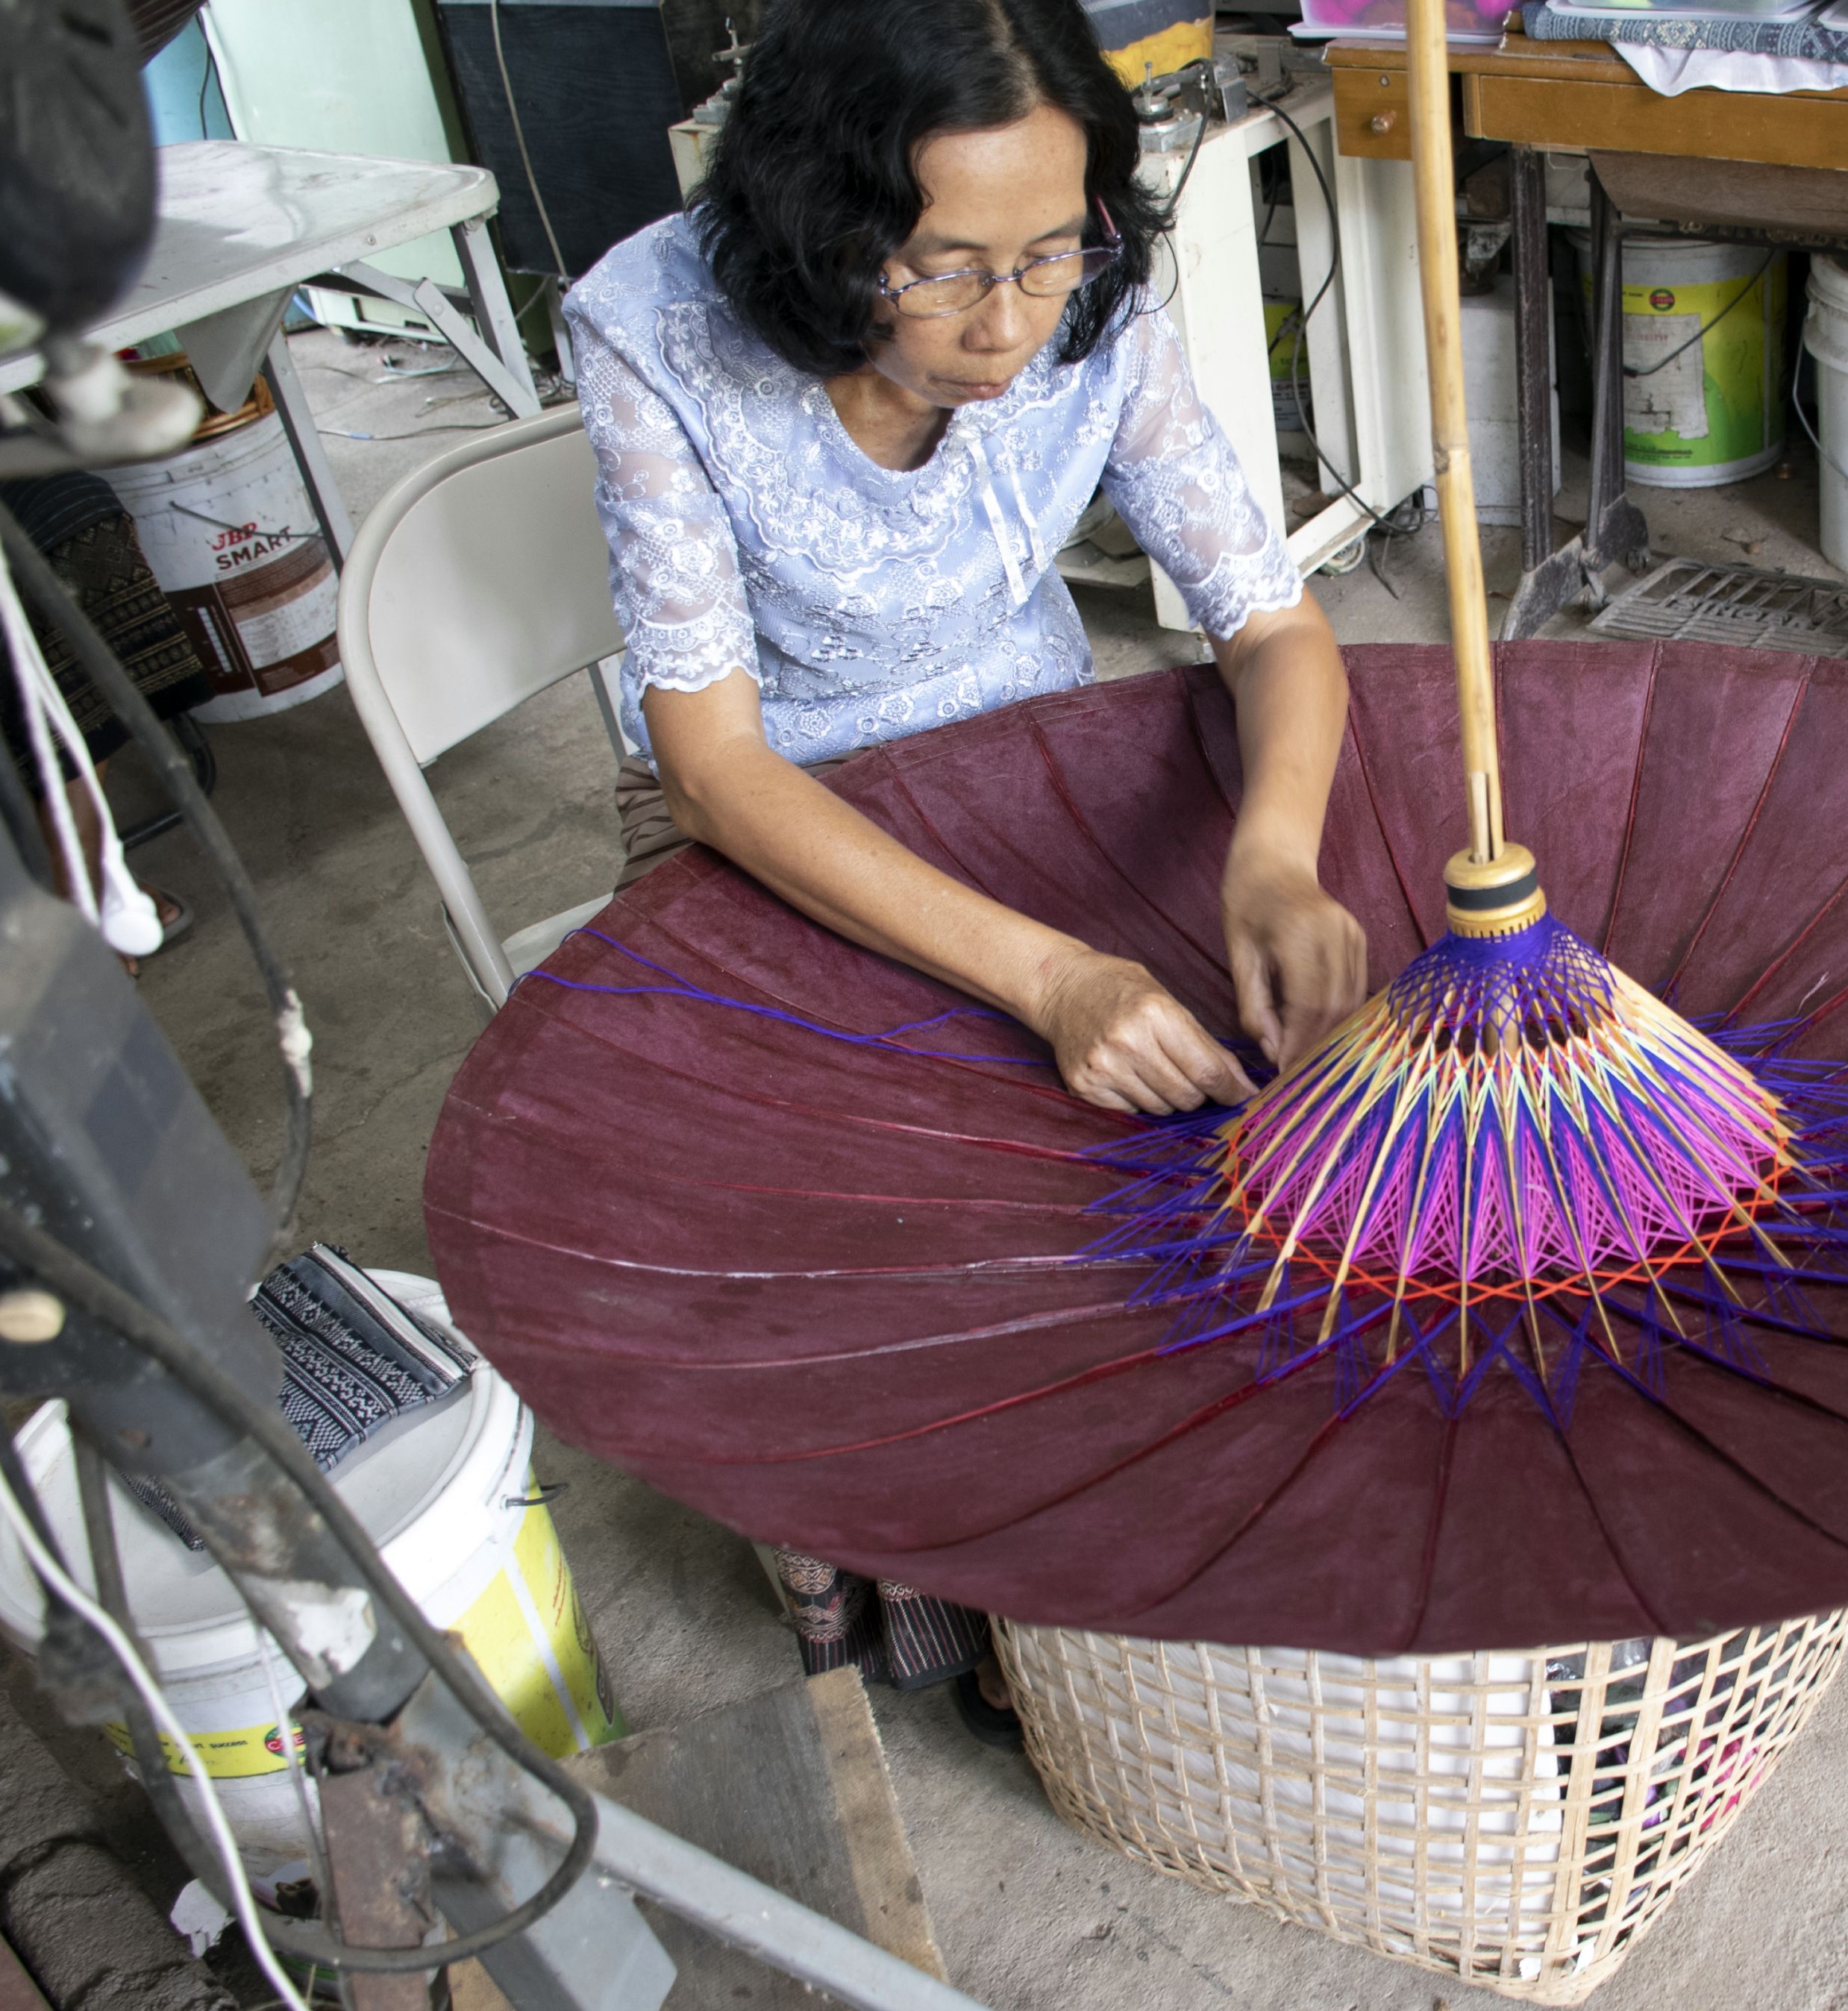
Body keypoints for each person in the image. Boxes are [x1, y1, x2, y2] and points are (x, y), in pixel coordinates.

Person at [564, 0, 1370, 1744]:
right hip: (771, 810)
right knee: (842, 1178)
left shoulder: (1090, 306)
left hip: (1026, 750)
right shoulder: (654, 332)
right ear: (821, 229)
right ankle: (906, 1546)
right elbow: (711, 767)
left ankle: (1091, 1551)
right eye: (942, 270)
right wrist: (1050, 975)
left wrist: (1270, 856)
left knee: (1205, 1104)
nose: (1008, 325)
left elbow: (1271, 626)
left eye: (1046, 254)